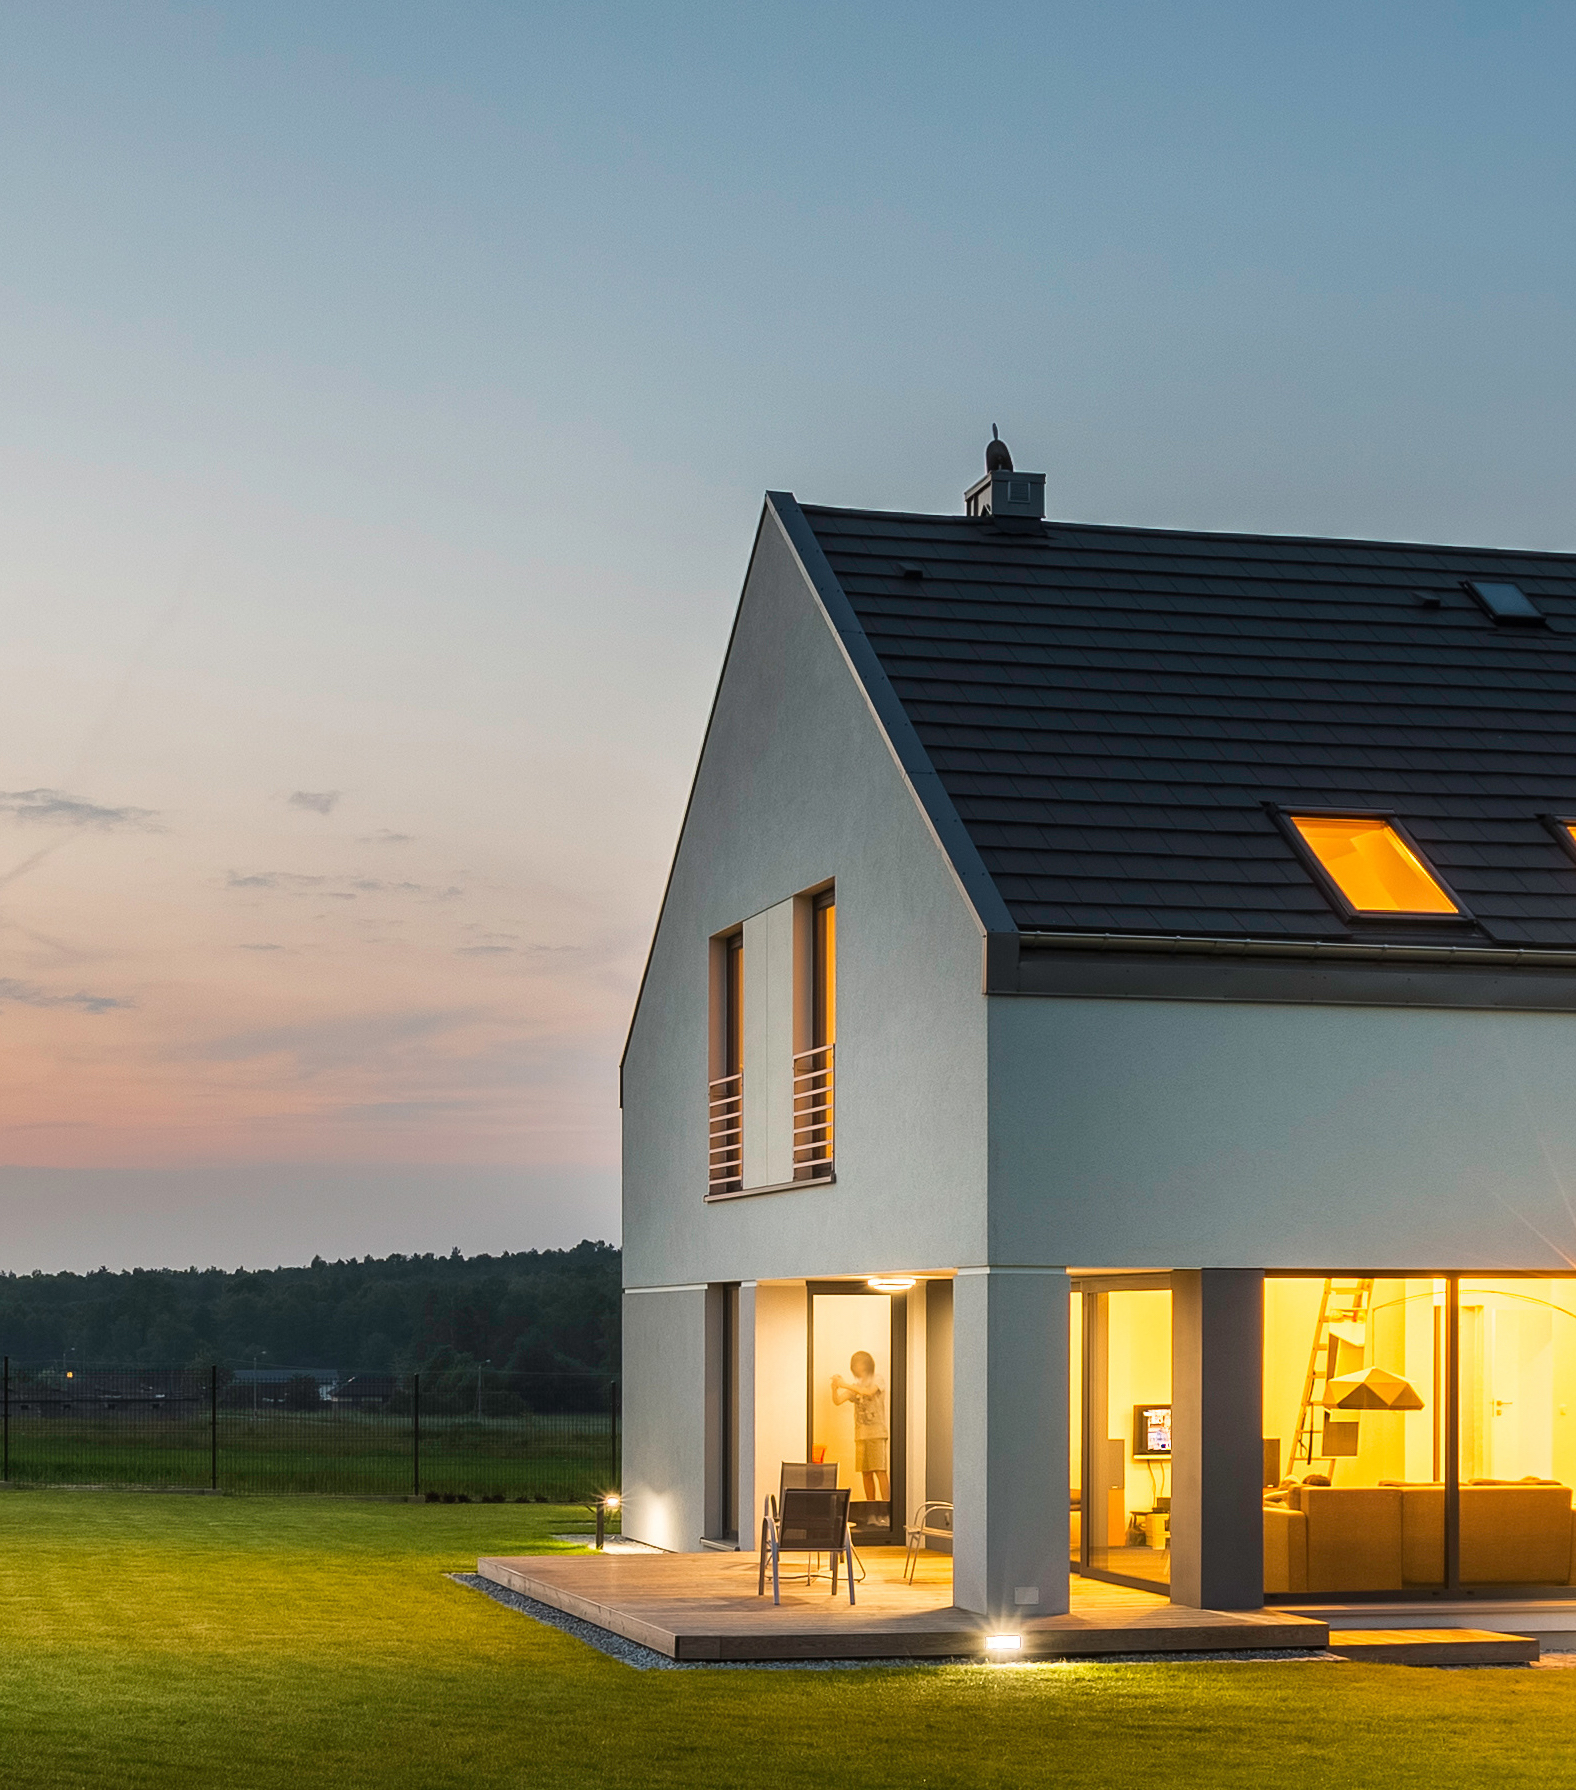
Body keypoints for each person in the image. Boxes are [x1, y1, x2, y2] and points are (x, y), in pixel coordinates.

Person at [831, 1351, 889, 1505]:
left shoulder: (877, 1379)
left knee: (880, 1471)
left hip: (877, 1433)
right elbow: (837, 1401)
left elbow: (869, 1392)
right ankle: (872, 1510)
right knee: (866, 1473)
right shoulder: (854, 1387)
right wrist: (834, 1387)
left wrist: (843, 1384)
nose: (856, 1367)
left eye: (859, 1363)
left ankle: (886, 1509)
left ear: (866, 1364)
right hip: (861, 1435)